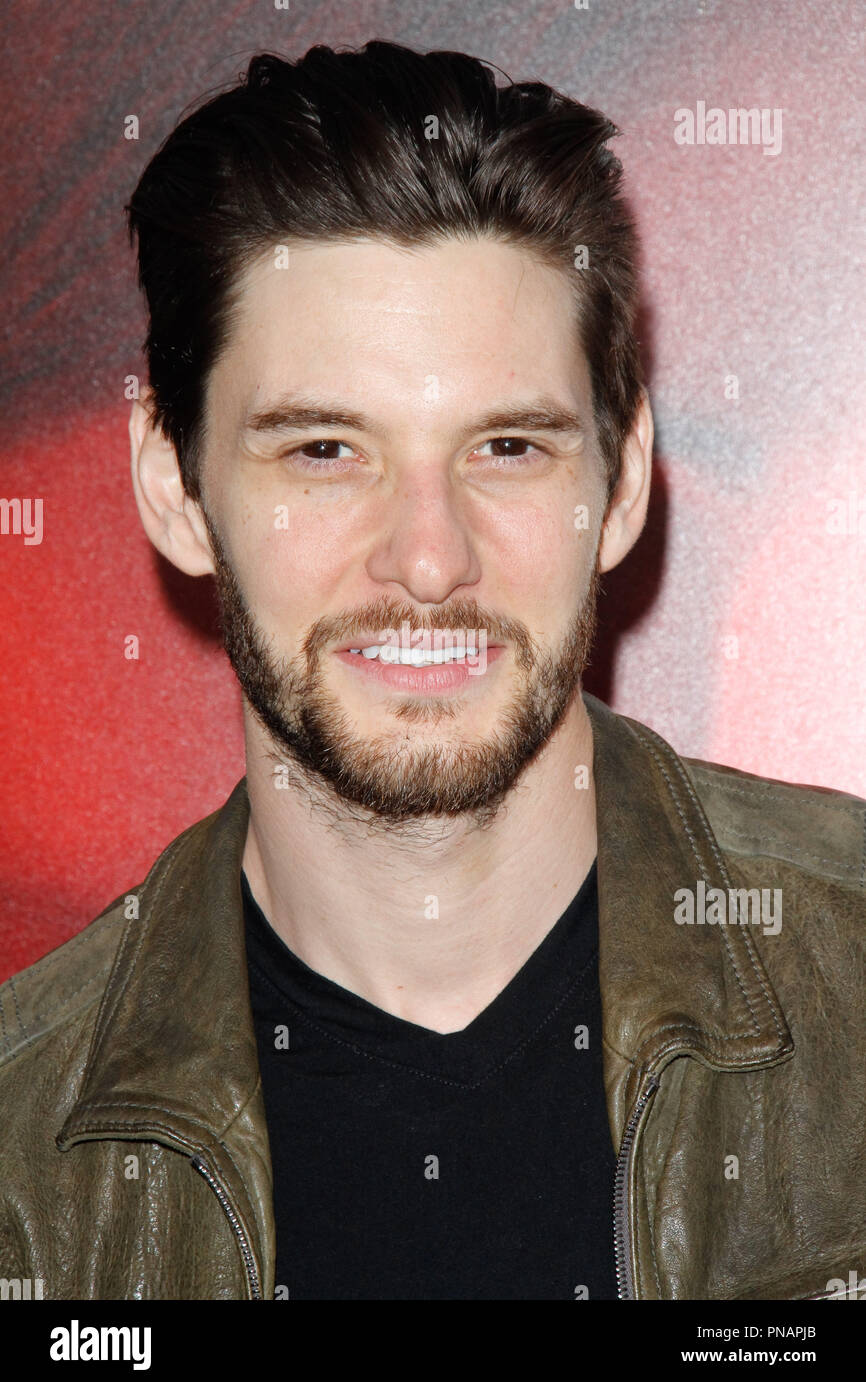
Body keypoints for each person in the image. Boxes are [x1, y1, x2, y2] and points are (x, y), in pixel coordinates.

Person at [1, 40, 864, 1303]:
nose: (426, 557)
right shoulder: (25, 1167)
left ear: (618, 482)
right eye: (323, 450)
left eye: (506, 446)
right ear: (174, 488)